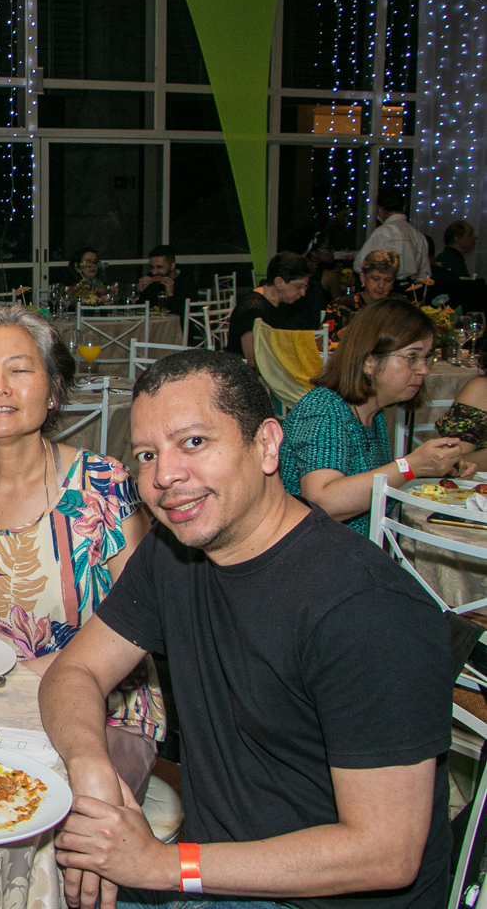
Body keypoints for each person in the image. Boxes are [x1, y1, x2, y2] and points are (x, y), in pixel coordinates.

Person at [40, 349, 450, 909]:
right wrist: (92, 768)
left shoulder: (365, 608)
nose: (164, 477)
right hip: (213, 871)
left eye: (193, 442)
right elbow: (76, 670)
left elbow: (386, 852)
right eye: (146, 454)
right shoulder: (173, 553)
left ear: (267, 445)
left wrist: (165, 866)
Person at [0, 304, 161, 797]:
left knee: (49, 806)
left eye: (20, 371)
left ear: (53, 390)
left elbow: (142, 625)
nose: (0, 388)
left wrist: (12, 679)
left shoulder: (102, 487)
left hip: (104, 715)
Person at [281, 298, 463, 536]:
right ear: (369, 361)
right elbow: (322, 503)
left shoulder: (372, 413)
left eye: (426, 357)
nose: (424, 369)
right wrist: (410, 467)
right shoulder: (323, 408)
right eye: (412, 357)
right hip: (310, 552)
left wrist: (432, 467)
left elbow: (372, 486)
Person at [226, 252, 310, 366]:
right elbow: (252, 361)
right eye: (299, 287)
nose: (303, 293)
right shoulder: (253, 310)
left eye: (305, 287)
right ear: (279, 282)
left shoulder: (280, 303)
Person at [354, 185, 430, 283]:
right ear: (404, 207)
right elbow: (425, 273)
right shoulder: (418, 236)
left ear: (379, 209)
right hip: (411, 289)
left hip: (385, 287)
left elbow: (361, 265)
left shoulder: (382, 232)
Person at [333, 249, 400, 329]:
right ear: (363, 278)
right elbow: (325, 335)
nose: (381, 286)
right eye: (375, 279)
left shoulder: (399, 307)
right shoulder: (341, 306)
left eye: (388, 280)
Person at [135, 246, 198, 314]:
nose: (154, 272)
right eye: (152, 267)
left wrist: (171, 295)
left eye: (159, 267)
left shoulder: (187, 282)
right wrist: (140, 293)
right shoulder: (152, 282)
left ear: (172, 266)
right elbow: (139, 310)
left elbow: (187, 314)